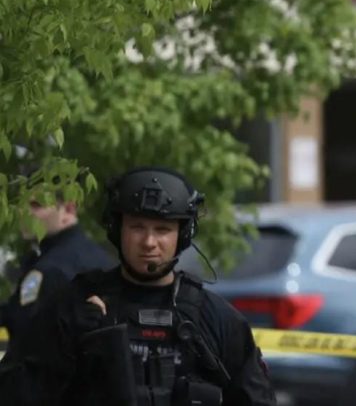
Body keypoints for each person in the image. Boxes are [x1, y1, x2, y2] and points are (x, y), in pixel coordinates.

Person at [0, 166, 276, 405]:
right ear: (117, 229)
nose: (149, 242)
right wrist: (66, 348)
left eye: (162, 230)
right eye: (137, 227)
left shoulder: (215, 319)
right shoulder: (73, 307)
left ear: (182, 235)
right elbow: (13, 393)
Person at [0, 185, 115, 356]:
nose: (24, 213)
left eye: (36, 205)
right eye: (21, 204)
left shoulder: (49, 268)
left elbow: (25, 332)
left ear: (68, 209)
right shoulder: (102, 258)